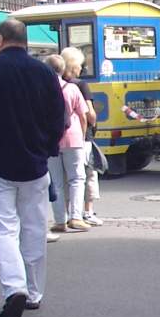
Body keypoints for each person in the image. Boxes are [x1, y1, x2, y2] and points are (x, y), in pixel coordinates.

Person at [0, 18, 67, 317]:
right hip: (35, 164)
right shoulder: (44, 72)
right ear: (25, 41)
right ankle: (34, 292)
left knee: (3, 228)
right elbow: (58, 116)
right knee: (34, 227)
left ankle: (14, 287)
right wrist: (48, 148)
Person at [61, 48, 102, 227]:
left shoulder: (56, 83)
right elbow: (89, 115)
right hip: (80, 138)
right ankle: (87, 212)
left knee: (63, 179)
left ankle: (64, 214)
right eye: (80, 64)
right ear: (74, 65)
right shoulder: (81, 85)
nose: (82, 68)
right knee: (86, 175)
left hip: (58, 138)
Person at [54, 48, 94, 231]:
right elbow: (85, 116)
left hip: (52, 141)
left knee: (57, 182)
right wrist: (83, 135)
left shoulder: (44, 89)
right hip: (73, 139)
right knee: (77, 178)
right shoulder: (73, 89)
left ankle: (59, 221)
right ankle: (76, 217)